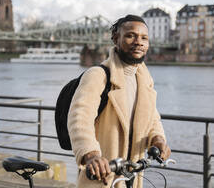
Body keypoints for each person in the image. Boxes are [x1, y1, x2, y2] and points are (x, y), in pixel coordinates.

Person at [67, 14, 171, 188]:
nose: (139, 42)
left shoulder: (145, 80)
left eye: (144, 38)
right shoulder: (98, 75)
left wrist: (158, 139)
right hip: (102, 176)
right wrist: (91, 155)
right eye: (131, 35)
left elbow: (152, 118)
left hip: (132, 176)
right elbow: (79, 119)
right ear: (116, 39)